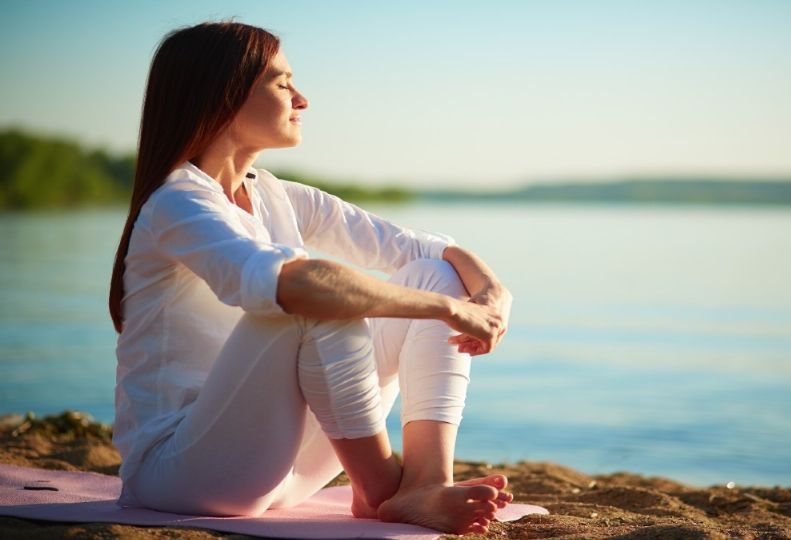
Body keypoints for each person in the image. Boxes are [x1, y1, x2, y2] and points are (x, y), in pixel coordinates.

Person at [107, 21, 514, 535]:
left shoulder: (277, 195)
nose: (302, 99)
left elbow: (428, 250)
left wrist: (491, 292)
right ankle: (381, 487)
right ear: (222, 96)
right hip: (181, 474)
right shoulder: (178, 202)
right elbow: (294, 284)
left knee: (434, 276)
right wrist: (450, 310)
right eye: (281, 84)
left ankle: (424, 483)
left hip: (285, 470)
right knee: (315, 297)